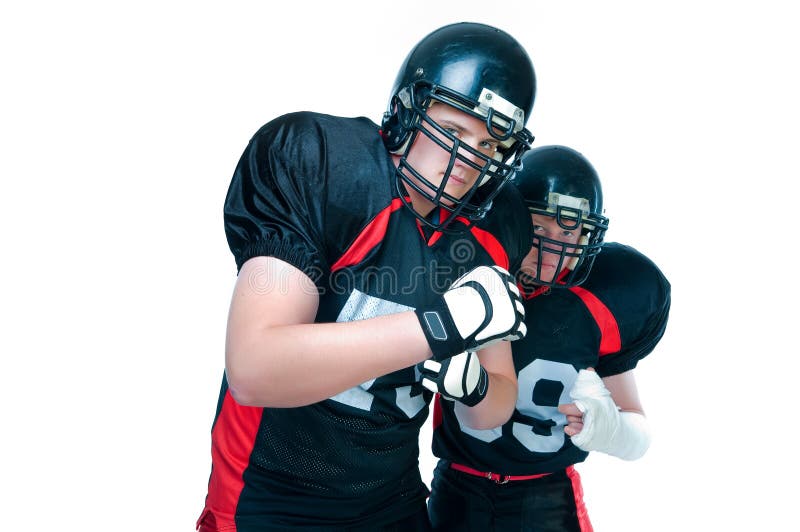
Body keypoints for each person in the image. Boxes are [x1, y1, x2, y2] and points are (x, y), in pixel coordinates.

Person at [196, 22, 538, 531]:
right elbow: (254, 368)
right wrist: (440, 326)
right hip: (268, 500)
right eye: (457, 130)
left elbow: (493, 407)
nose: (470, 159)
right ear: (408, 109)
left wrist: (474, 388)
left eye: (491, 146)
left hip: (392, 505)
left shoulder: (491, 228)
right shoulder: (325, 162)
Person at [425, 145, 671, 531]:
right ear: (510, 222)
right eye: (539, 228)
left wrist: (610, 428)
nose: (555, 246)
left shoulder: (598, 302)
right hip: (457, 486)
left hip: (545, 497)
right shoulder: (468, 274)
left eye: (570, 231)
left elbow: (638, 432)